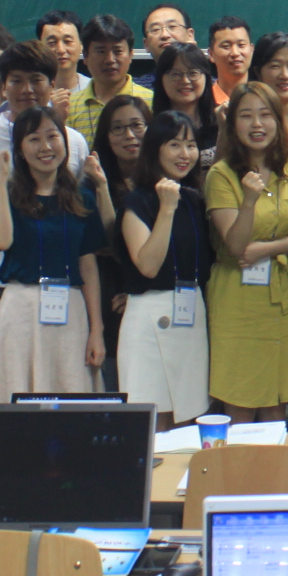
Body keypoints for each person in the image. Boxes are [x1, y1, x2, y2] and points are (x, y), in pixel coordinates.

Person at [0, 42, 92, 378]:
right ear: (2, 84)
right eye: (16, 80)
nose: (27, 90)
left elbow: (79, 215)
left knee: (55, 382)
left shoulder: (72, 141)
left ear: (53, 85)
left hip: (58, 282)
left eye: (37, 79)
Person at [0, 107, 107, 401]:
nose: (45, 147)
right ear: (20, 148)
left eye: (52, 136)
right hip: (21, 309)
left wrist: (97, 329)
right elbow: (0, 241)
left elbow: (88, 265)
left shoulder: (82, 196)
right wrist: (0, 179)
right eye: (34, 139)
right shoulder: (6, 193)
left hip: (70, 309)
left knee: (69, 392)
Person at [208, 83, 288, 422]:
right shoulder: (221, 174)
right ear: (233, 124)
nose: (257, 124)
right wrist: (250, 200)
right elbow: (236, 246)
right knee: (240, 401)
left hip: (281, 294)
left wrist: (265, 250)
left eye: (265, 115)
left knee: (278, 403)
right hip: (236, 299)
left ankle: (274, 475)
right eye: (246, 116)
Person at [119, 112, 213, 427]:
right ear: (155, 148)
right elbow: (147, 264)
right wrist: (167, 209)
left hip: (190, 314)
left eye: (191, 145)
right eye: (175, 144)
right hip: (149, 316)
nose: (185, 154)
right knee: (153, 420)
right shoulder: (138, 200)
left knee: (190, 413)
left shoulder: (194, 198)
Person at [81, 92, 153, 393]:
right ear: (106, 136)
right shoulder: (90, 184)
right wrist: (101, 187)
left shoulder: (162, 183)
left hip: (150, 297)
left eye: (137, 125)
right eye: (118, 128)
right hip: (108, 295)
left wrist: (139, 297)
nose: (129, 135)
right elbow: (111, 243)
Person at [71, 14, 150, 137]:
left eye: (118, 51)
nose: (110, 59)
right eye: (101, 51)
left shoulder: (151, 101)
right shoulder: (70, 107)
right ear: (85, 56)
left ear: (130, 55)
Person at [151, 42, 221, 167]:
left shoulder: (221, 123)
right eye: (175, 74)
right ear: (161, 79)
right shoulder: (150, 127)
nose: (185, 81)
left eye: (193, 73)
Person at [36, 10, 85, 97]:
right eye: (52, 43)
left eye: (67, 41)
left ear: (81, 45)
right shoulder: (33, 94)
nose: (61, 50)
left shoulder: (96, 88)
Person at [206, 15, 253, 104]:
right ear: (211, 54)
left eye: (241, 45)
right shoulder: (202, 100)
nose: (235, 53)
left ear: (251, 50)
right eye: (226, 46)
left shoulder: (263, 100)